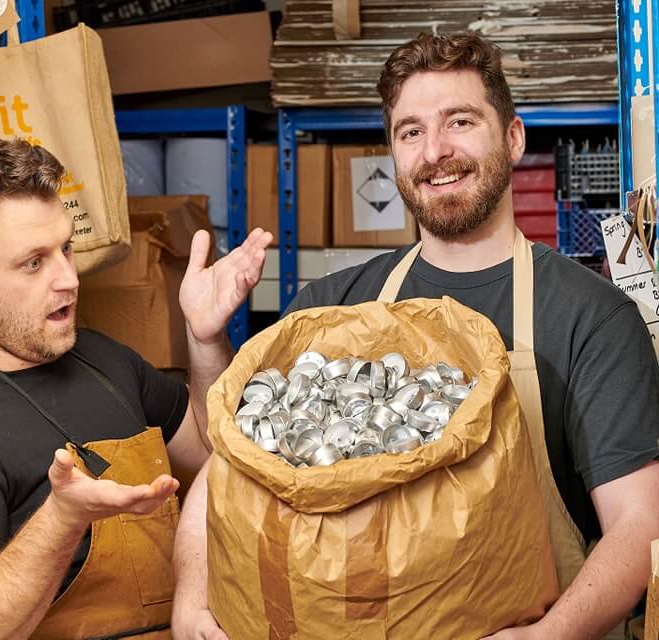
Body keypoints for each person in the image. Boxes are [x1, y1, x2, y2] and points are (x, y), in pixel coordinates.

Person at [171, 32, 659, 640]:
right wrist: (191, 601)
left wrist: (547, 635)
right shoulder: (330, 308)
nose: (435, 151)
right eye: (410, 132)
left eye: (460, 121)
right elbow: (230, 471)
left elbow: (641, 524)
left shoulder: (590, 317)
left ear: (513, 138)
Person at [0, 137, 271, 640]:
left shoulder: (101, 358)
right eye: (34, 262)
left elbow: (212, 450)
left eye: (65, 248)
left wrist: (205, 336)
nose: (69, 279)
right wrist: (63, 519)